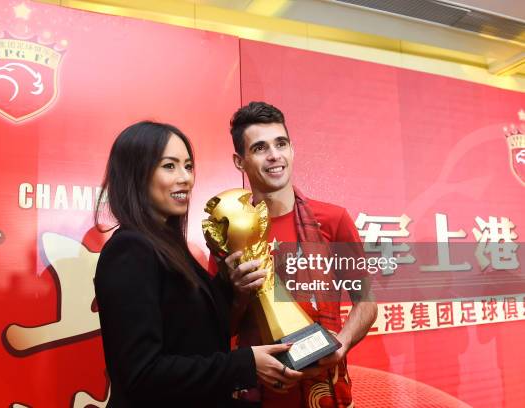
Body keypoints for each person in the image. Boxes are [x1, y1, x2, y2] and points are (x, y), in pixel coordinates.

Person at [93, 121, 303, 408]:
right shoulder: (130, 250)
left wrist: (233, 286)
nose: (185, 178)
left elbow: (194, 332)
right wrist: (245, 364)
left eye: (188, 166)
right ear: (136, 173)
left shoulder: (168, 246)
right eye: (169, 166)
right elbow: (142, 374)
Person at [211, 102, 378, 408]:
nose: (274, 155)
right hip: (257, 394)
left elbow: (366, 303)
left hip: (326, 390)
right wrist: (239, 294)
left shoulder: (332, 220)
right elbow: (219, 329)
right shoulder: (229, 233)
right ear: (240, 161)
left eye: (281, 144)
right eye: (260, 148)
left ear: (292, 150)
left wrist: (340, 346)